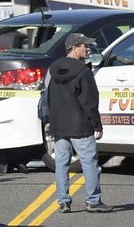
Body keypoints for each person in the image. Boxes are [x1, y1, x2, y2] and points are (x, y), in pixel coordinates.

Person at [48, 33, 112, 214]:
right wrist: (97, 125)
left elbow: (47, 97)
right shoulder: (83, 71)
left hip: (59, 125)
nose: (88, 48)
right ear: (73, 48)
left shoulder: (53, 69)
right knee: (89, 163)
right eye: (84, 45)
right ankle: (93, 201)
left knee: (62, 164)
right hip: (80, 126)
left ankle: (63, 201)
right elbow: (90, 102)